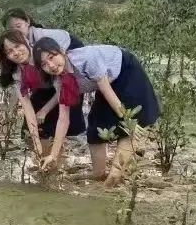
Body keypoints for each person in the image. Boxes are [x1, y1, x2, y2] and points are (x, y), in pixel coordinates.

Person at [32, 39, 160, 184]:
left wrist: (128, 120)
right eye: (44, 64)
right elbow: (63, 119)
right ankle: (98, 174)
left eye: (51, 57)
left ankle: (114, 177)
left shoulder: (86, 59)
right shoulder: (59, 81)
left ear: (62, 51)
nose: (51, 65)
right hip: (106, 83)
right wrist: (53, 156)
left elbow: (106, 89)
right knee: (95, 128)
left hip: (125, 71)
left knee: (129, 127)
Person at [0, 9, 87, 153]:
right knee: (35, 123)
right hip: (49, 72)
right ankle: (46, 149)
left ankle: (70, 143)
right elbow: (27, 106)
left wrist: (45, 110)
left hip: (69, 61)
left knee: (67, 106)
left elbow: (62, 83)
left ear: (27, 22)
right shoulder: (19, 67)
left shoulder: (45, 50)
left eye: (18, 26)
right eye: (9, 51)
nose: (15, 52)